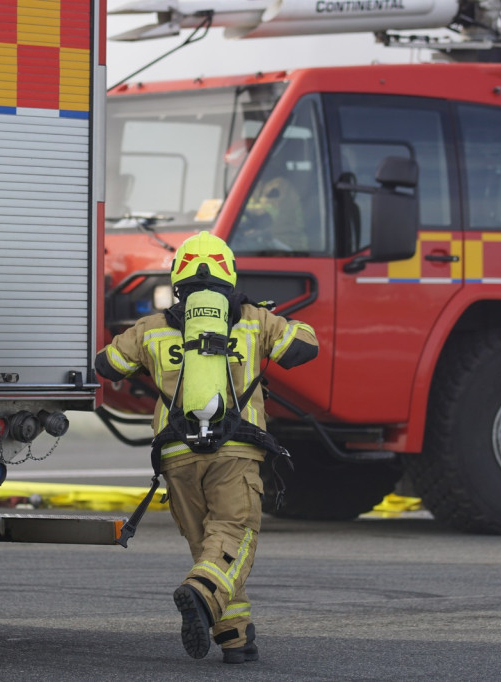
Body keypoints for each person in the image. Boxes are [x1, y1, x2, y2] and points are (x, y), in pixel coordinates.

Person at [94, 231, 318, 664]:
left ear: (178, 278)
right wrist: (272, 317)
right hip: (235, 451)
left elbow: (108, 364)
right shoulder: (253, 319)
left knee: (211, 547)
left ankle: (236, 637)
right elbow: (305, 346)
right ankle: (199, 593)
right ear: (229, 276)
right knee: (235, 536)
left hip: (177, 457)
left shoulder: (153, 328)